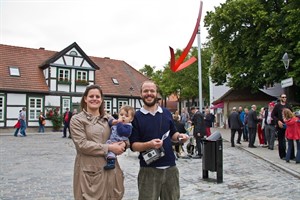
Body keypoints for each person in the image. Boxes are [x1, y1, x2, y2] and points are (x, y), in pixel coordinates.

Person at [129, 80, 189, 200]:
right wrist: (149, 144)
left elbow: (173, 133)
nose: (149, 93)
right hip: (148, 170)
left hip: (171, 168)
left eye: (152, 91)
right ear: (141, 94)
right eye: (146, 91)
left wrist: (180, 137)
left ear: (156, 94)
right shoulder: (136, 117)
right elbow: (133, 145)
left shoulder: (166, 113)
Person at [70, 84, 126, 200]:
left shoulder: (108, 118)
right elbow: (82, 145)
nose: (94, 99)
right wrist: (109, 148)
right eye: (91, 96)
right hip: (90, 172)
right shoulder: (77, 120)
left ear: (101, 99)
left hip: (111, 170)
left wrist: (125, 144)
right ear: (85, 99)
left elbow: (122, 133)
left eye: (97, 96)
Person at [104, 105, 135, 170]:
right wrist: (112, 122)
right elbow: (109, 123)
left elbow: (121, 132)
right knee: (108, 150)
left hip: (118, 142)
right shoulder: (117, 122)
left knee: (112, 153)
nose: (123, 117)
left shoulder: (128, 126)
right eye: (121, 114)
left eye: (126, 116)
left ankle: (111, 163)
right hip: (112, 140)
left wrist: (119, 123)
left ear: (131, 119)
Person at [271, 94, 295, 160]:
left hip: (288, 125)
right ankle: (282, 155)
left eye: (285, 97)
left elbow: (292, 114)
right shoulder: (277, 106)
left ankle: (292, 155)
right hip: (280, 125)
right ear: (280, 98)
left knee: (290, 140)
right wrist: (278, 121)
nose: (284, 98)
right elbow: (273, 115)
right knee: (281, 140)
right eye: (283, 97)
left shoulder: (288, 105)